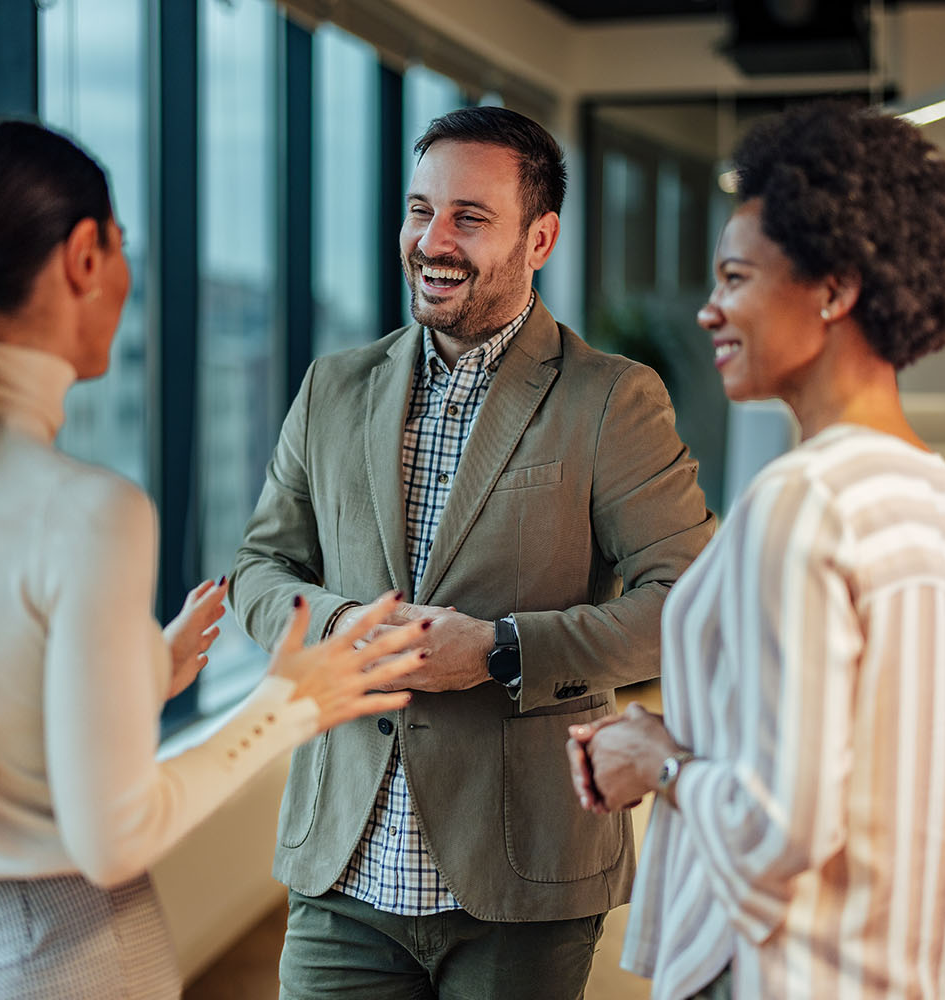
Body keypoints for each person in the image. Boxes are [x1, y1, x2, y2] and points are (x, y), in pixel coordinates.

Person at [0, 118, 430, 1000]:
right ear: (84, 257)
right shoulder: (92, 511)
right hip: (64, 965)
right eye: (124, 247)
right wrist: (291, 704)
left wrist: (145, 671)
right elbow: (114, 835)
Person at [229, 106, 715, 999]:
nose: (432, 240)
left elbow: (688, 603)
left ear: (541, 238)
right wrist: (343, 626)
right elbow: (259, 569)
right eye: (420, 210)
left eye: (468, 217)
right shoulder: (332, 387)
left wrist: (500, 650)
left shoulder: (611, 399)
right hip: (342, 872)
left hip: (522, 881)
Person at [567, 101, 945, 1000]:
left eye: (735, 278)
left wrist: (655, 762)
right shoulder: (929, 490)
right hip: (909, 967)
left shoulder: (805, 500)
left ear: (834, 290)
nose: (708, 309)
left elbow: (782, 826)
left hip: (791, 974)